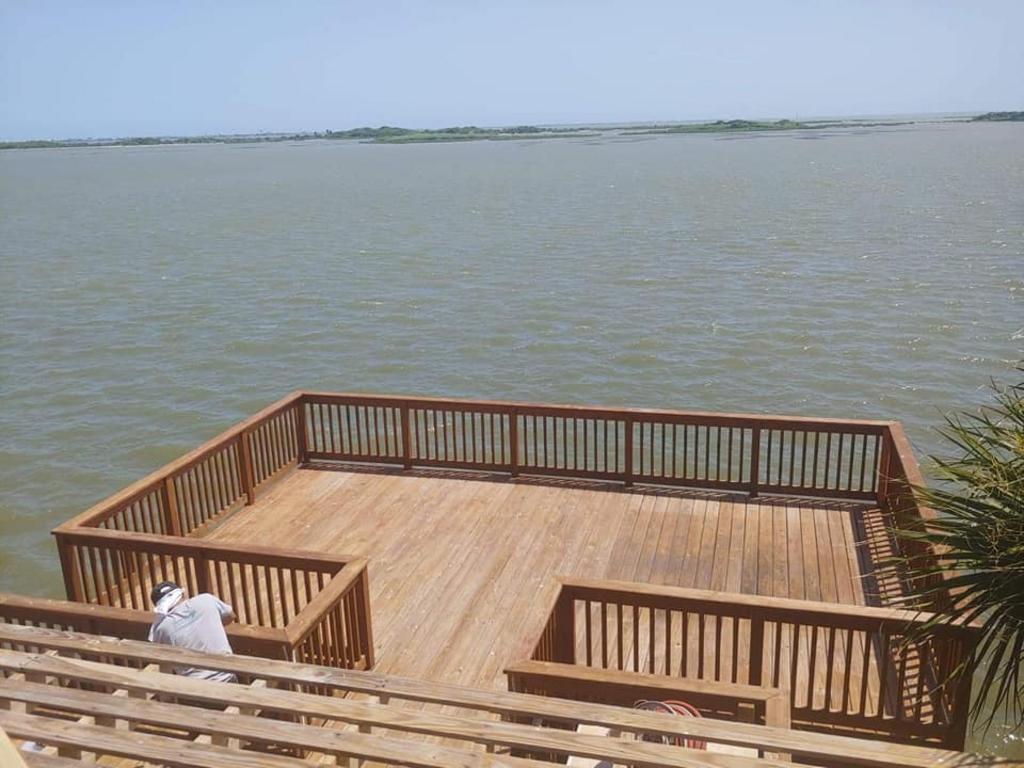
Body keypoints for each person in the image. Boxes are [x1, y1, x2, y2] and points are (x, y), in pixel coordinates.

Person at [148, 581, 238, 683]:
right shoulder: (206, 599)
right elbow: (231, 616)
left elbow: (163, 659)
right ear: (182, 594)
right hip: (227, 677)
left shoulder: (162, 629)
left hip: (193, 687)